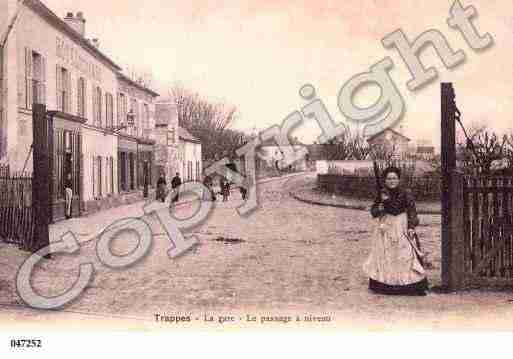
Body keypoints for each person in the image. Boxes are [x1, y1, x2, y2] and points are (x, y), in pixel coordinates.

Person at [363, 166, 428, 296]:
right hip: (386, 227)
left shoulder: (405, 193)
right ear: (385, 180)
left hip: (401, 226)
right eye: (389, 178)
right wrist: (379, 208)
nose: (391, 181)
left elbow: (412, 211)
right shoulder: (382, 193)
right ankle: (385, 285)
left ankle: (409, 286)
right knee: (385, 255)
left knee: (405, 255)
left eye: (394, 178)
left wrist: (411, 227)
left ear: (398, 180)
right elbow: (374, 212)